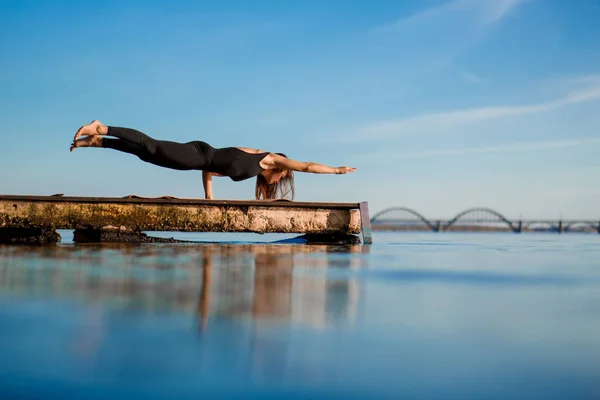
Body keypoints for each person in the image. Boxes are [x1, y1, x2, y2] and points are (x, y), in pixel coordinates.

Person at [70, 120, 357, 200]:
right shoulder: (268, 159)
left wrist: (209, 197)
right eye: (285, 174)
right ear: (280, 168)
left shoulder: (246, 173)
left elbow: (211, 173)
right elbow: (306, 166)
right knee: (153, 146)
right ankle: (103, 128)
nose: (283, 177)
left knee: (146, 156)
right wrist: (338, 171)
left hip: (198, 162)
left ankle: (99, 142)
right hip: (199, 153)